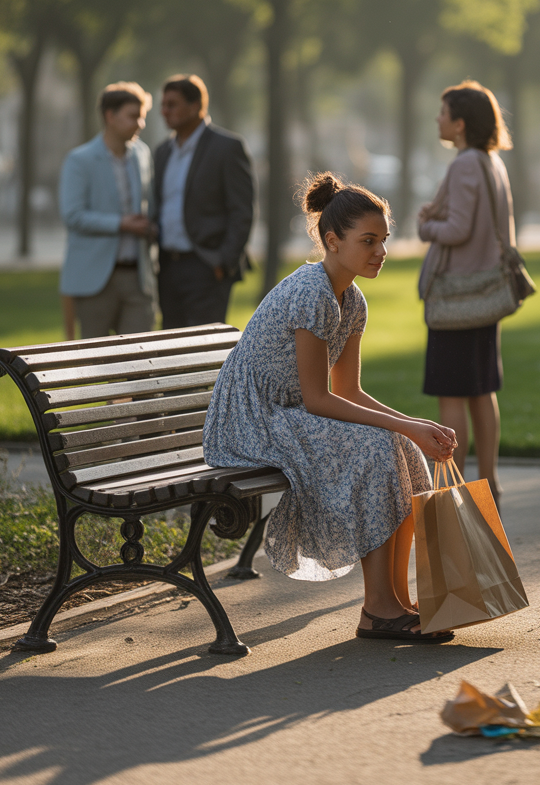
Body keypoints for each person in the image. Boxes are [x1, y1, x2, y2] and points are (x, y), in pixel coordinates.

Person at [203, 173, 458, 642]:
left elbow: (350, 391)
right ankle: (379, 607)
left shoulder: (352, 300)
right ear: (332, 240)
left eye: (383, 240)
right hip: (253, 419)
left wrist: (412, 425)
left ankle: (394, 603)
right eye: (368, 241)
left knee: (400, 446)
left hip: (290, 409)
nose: (379, 251)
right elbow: (319, 398)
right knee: (377, 449)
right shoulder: (312, 293)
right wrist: (400, 427)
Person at [418, 81, 516, 506]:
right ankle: (489, 481)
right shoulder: (492, 162)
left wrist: (426, 226)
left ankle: (454, 486)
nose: (438, 119)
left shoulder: (462, 165)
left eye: (443, 113)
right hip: (486, 292)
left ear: (459, 124)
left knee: (452, 391)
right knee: (482, 389)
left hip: (457, 295)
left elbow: (456, 229)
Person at [153, 74, 254, 329]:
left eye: (172, 104)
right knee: (170, 348)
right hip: (167, 267)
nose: (164, 111)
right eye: (163, 105)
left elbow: (242, 210)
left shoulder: (227, 147)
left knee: (203, 348)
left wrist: (223, 262)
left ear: (196, 105)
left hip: (207, 266)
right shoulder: (162, 152)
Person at [58, 82, 157, 340]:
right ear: (110, 116)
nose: (140, 123)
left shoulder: (142, 154)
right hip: (95, 279)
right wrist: (122, 223)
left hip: (139, 277)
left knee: (139, 361)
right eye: (133, 116)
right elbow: (73, 215)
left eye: (142, 116)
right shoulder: (79, 160)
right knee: (95, 362)